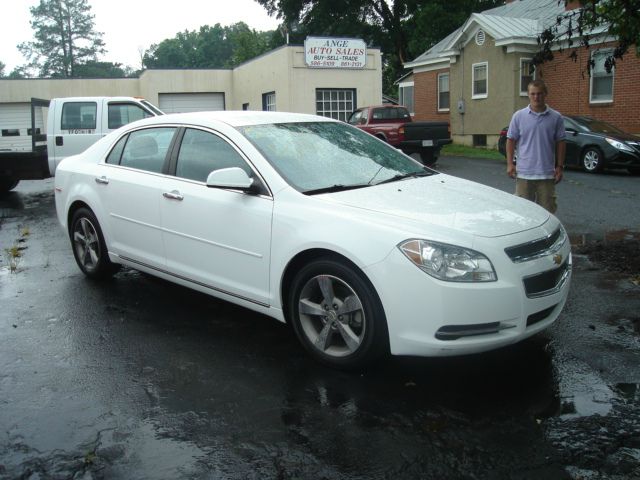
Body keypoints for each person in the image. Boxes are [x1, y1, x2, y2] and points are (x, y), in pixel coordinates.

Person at [506, 79, 566, 213]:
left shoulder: (556, 118)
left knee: (547, 213)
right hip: (524, 174)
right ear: (528, 94)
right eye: (533, 94)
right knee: (522, 213)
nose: (536, 97)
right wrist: (510, 164)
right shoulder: (519, 116)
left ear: (545, 94)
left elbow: (561, 142)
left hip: (546, 175)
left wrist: (560, 166)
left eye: (539, 93)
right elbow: (510, 140)